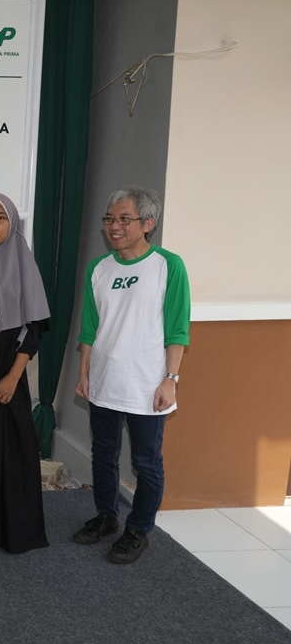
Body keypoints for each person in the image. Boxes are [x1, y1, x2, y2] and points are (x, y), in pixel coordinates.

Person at [73, 186, 190, 564]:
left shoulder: (168, 266)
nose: (114, 226)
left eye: (124, 218)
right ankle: (106, 516)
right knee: (103, 454)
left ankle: (138, 530)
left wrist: (170, 380)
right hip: (105, 381)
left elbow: (177, 330)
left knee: (145, 462)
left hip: (147, 385)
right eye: (109, 219)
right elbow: (90, 329)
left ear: (148, 223)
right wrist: (84, 372)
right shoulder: (99, 269)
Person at [0, 192, 50, 555]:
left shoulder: (24, 261)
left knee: (15, 447)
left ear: (12, 223)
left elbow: (32, 329)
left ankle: (17, 533)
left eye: (0, 218)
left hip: (11, 366)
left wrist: (14, 376)